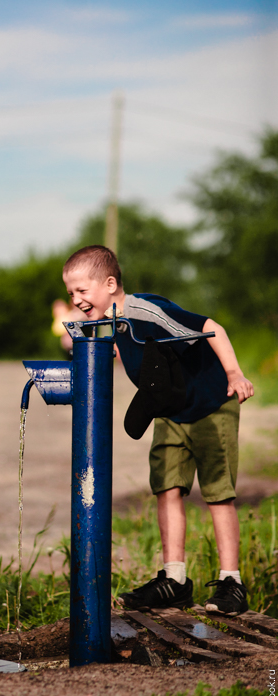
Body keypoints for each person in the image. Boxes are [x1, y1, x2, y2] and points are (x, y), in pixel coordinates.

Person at [62, 245, 254, 615]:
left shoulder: (144, 310)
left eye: (82, 291)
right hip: (170, 411)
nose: (76, 299)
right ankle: (175, 580)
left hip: (212, 403)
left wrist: (234, 374)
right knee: (166, 487)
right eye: (71, 293)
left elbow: (211, 327)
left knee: (218, 492)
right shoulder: (110, 322)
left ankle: (232, 582)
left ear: (110, 283)